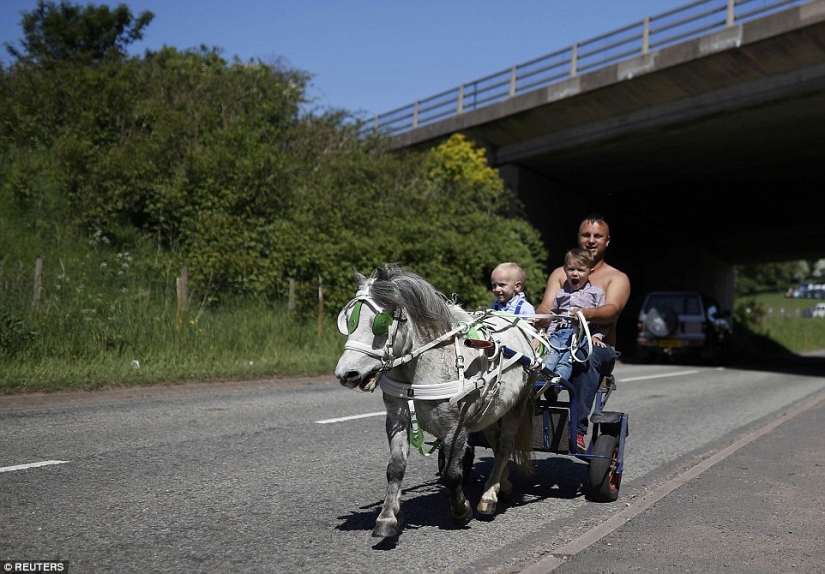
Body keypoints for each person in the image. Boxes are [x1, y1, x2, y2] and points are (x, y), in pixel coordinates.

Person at [534, 214, 631, 453]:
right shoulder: (561, 273)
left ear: (607, 241)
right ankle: (520, 419)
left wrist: (585, 313)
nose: (591, 240)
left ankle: (576, 430)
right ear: (578, 238)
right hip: (561, 337)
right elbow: (547, 306)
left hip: (597, 345)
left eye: (597, 236)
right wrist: (538, 318)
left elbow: (612, 310)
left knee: (586, 356)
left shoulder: (616, 278)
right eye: (586, 235)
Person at [542, 248, 608, 384]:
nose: (575, 274)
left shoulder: (596, 293)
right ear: (565, 270)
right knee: (549, 357)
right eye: (571, 269)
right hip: (558, 333)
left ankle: (556, 383)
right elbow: (555, 315)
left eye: (581, 270)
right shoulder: (562, 293)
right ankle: (542, 382)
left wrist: (596, 336)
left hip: (578, 335)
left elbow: (603, 320)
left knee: (566, 359)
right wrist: (548, 334)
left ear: (590, 272)